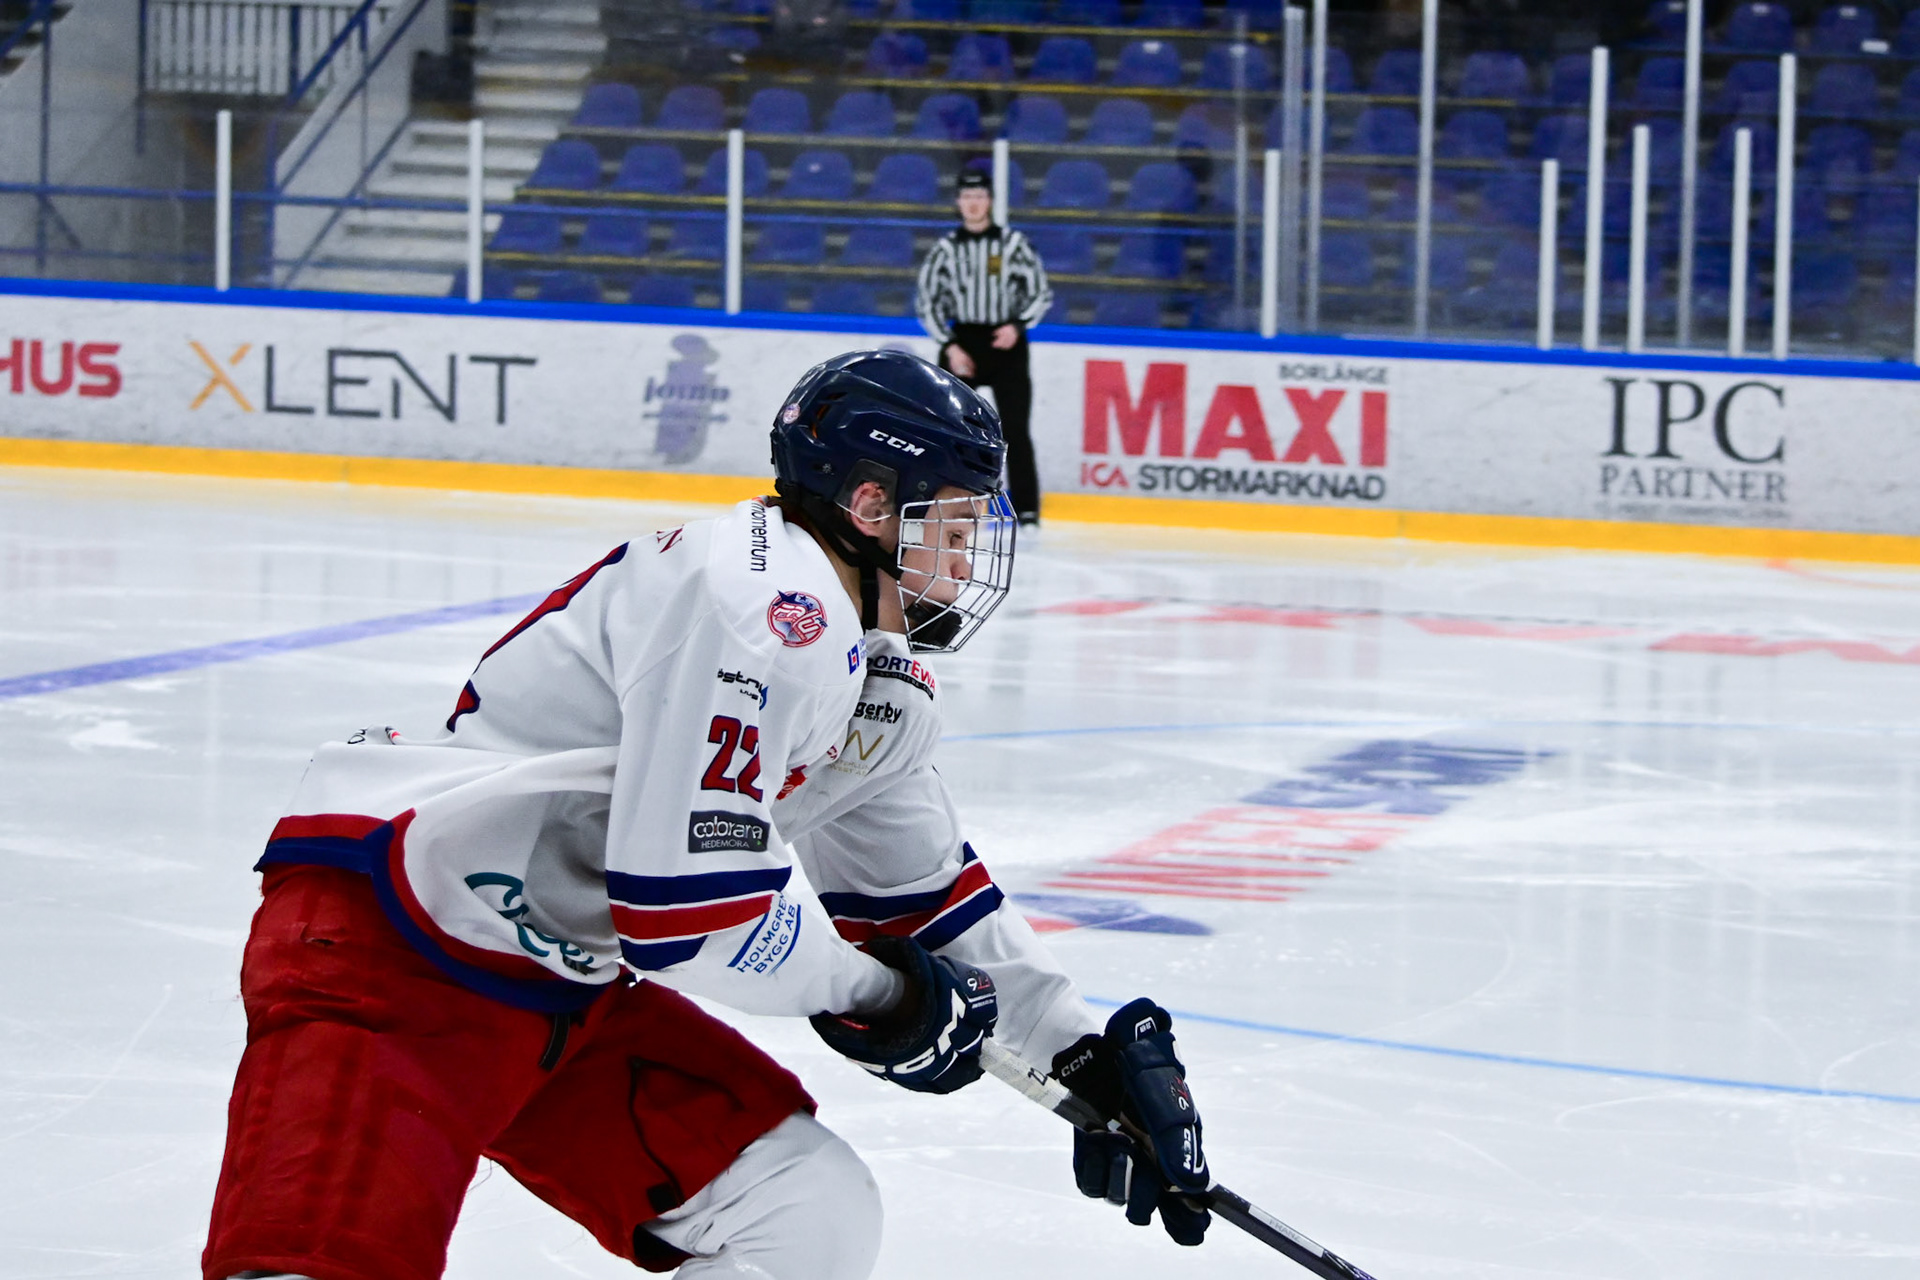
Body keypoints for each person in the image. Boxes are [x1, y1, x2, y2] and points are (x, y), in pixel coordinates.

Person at [202, 350, 1207, 1280]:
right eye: (952, 521)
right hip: (399, 952)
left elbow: (919, 896)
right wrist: (882, 995)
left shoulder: (864, 663)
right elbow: (687, 916)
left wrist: (1082, 1055)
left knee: (803, 1209)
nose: (968, 552)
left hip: (558, 983)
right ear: (869, 505)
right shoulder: (766, 611)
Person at [914, 169, 1052, 528]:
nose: (973, 203)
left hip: (1007, 341)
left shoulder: (1013, 244)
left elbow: (1039, 292)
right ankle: (940, 499)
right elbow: (928, 301)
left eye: (979, 196)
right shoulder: (945, 249)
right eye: (967, 197)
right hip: (963, 342)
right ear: (959, 202)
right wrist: (950, 345)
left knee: (1016, 430)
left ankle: (1027, 510)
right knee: (949, 429)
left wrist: (1017, 325)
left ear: (989, 201)